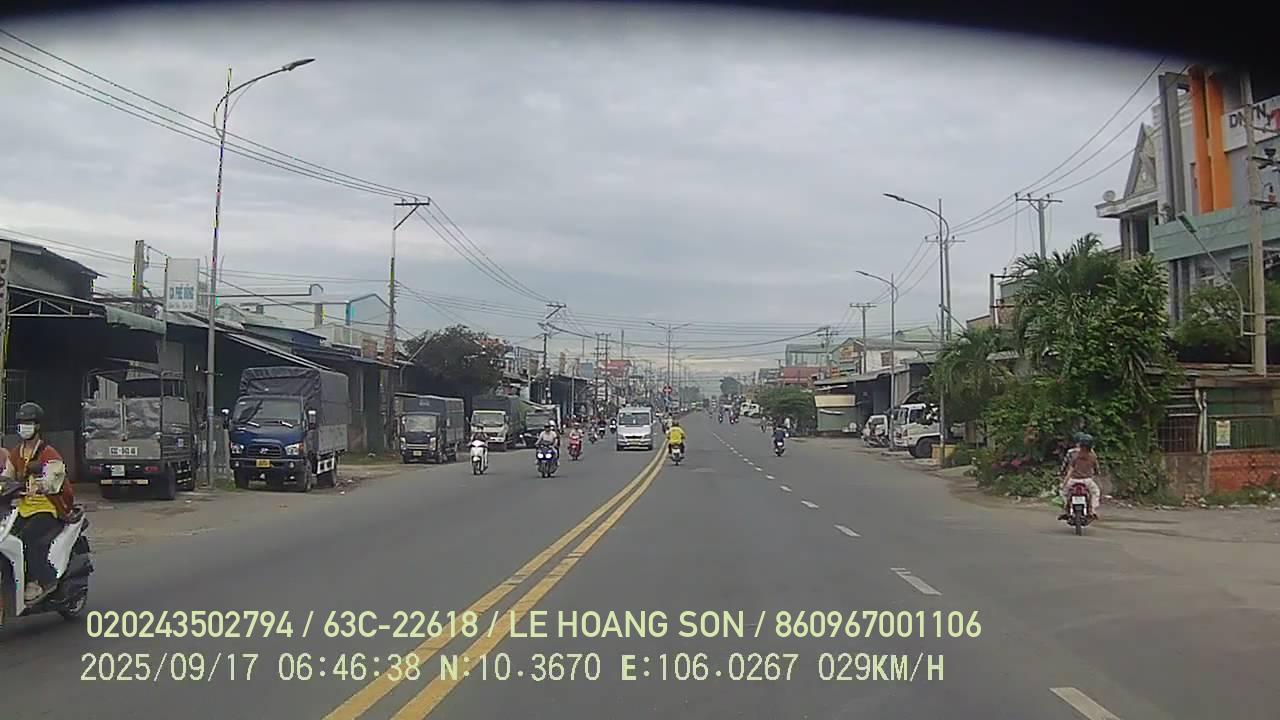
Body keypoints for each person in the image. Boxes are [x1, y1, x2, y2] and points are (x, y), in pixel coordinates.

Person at [2, 402, 72, 602]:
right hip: (22, 509)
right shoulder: (16, 453)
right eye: (21, 423)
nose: (24, 427)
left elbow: (54, 478)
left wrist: (42, 484)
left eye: (29, 423)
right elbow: (7, 475)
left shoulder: (49, 453)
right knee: (7, 540)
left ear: (38, 426)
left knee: (28, 540)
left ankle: (41, 581)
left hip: (47, 508)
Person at [1059, 433, 1101, 520]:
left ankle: (1066, 510)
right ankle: (1092, 510)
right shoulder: (1093, 456)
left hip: (1073, 480)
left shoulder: (1074, 455)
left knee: (1063, 492)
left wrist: (1064, 483)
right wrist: (1097, 474)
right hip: (1087, 481)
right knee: (1095, 492)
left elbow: (1070, 470)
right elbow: (1096, 469)